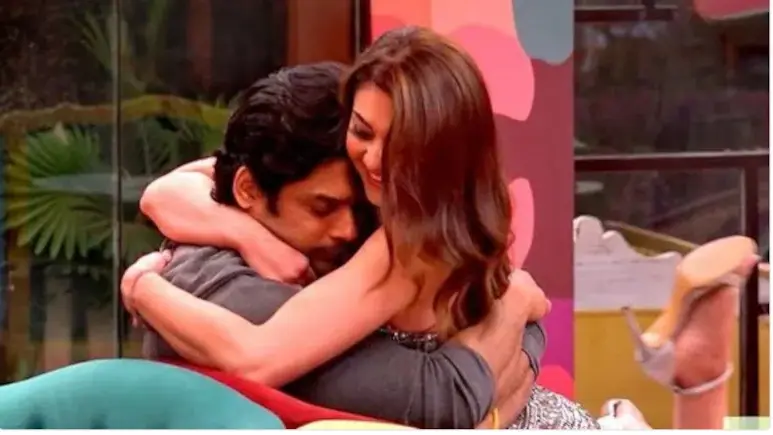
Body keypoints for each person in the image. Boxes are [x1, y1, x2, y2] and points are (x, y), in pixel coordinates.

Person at [123, 26, 595, 429]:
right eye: (363, 131)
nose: (373, 158)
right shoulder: (412, 199)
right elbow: (171, 190)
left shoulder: (408, 240)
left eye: (401, 141)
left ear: (439, 144)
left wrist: (144, 288)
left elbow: (255, 358)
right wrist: (249, 235)